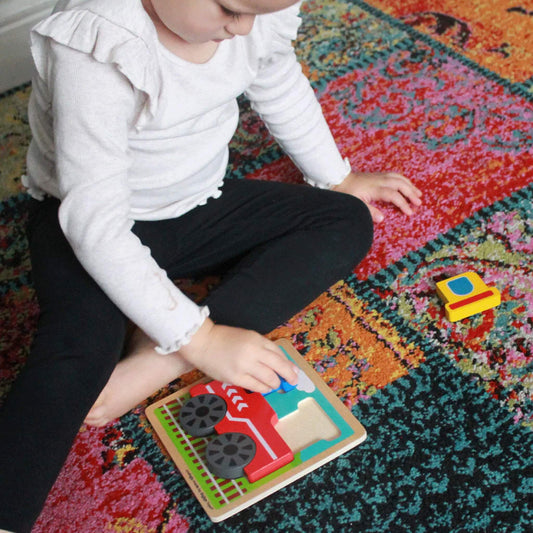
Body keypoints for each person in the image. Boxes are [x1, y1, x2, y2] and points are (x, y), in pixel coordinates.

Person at [0, 0, 422, 530]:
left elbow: (277, 80)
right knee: (74, 359)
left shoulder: (252, 18)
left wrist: (336, 177)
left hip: (198, 206)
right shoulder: (100, 43)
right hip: (86, 225)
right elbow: (95, 225)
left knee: (345, 220)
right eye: (228, 7)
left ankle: (159, 358)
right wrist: (200, 340)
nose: (242, 26)